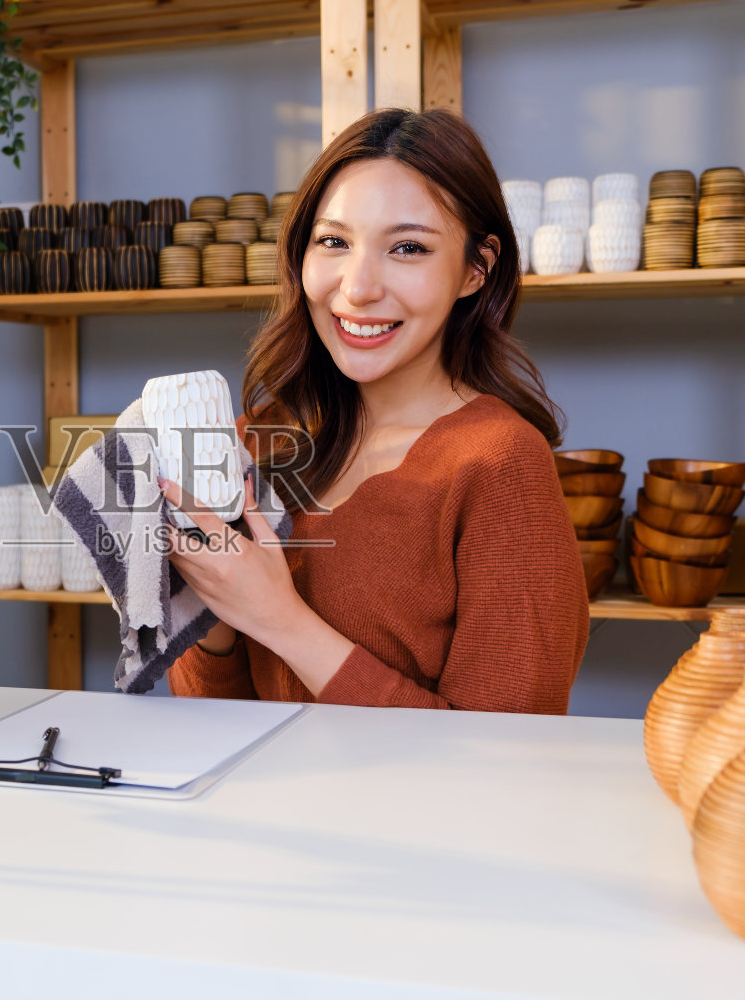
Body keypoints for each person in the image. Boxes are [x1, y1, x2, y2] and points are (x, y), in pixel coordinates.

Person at [163, 108, 589, 712]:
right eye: (333, 241)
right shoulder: (260, 440)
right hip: (253, 804)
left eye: (408, 247)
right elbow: (207, 713)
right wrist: (218, 603)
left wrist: (280, 619)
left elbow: (504, 757)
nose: (358, 287)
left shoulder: (499, 464)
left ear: (475, 269)